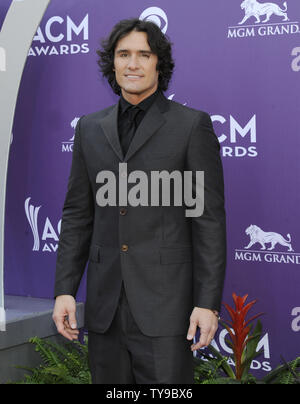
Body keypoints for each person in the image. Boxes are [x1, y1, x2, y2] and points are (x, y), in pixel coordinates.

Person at [52, 18, 226, 384]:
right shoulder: (88, 128)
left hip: (166, 308)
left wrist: (207, 302)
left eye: (143, 55)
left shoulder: (191, 126)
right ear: (112, 63)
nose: (133, 64)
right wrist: (65, 289)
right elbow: (77, 214)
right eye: (124, 54)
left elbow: (207, 220)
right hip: (105, 308)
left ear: (158, 64)